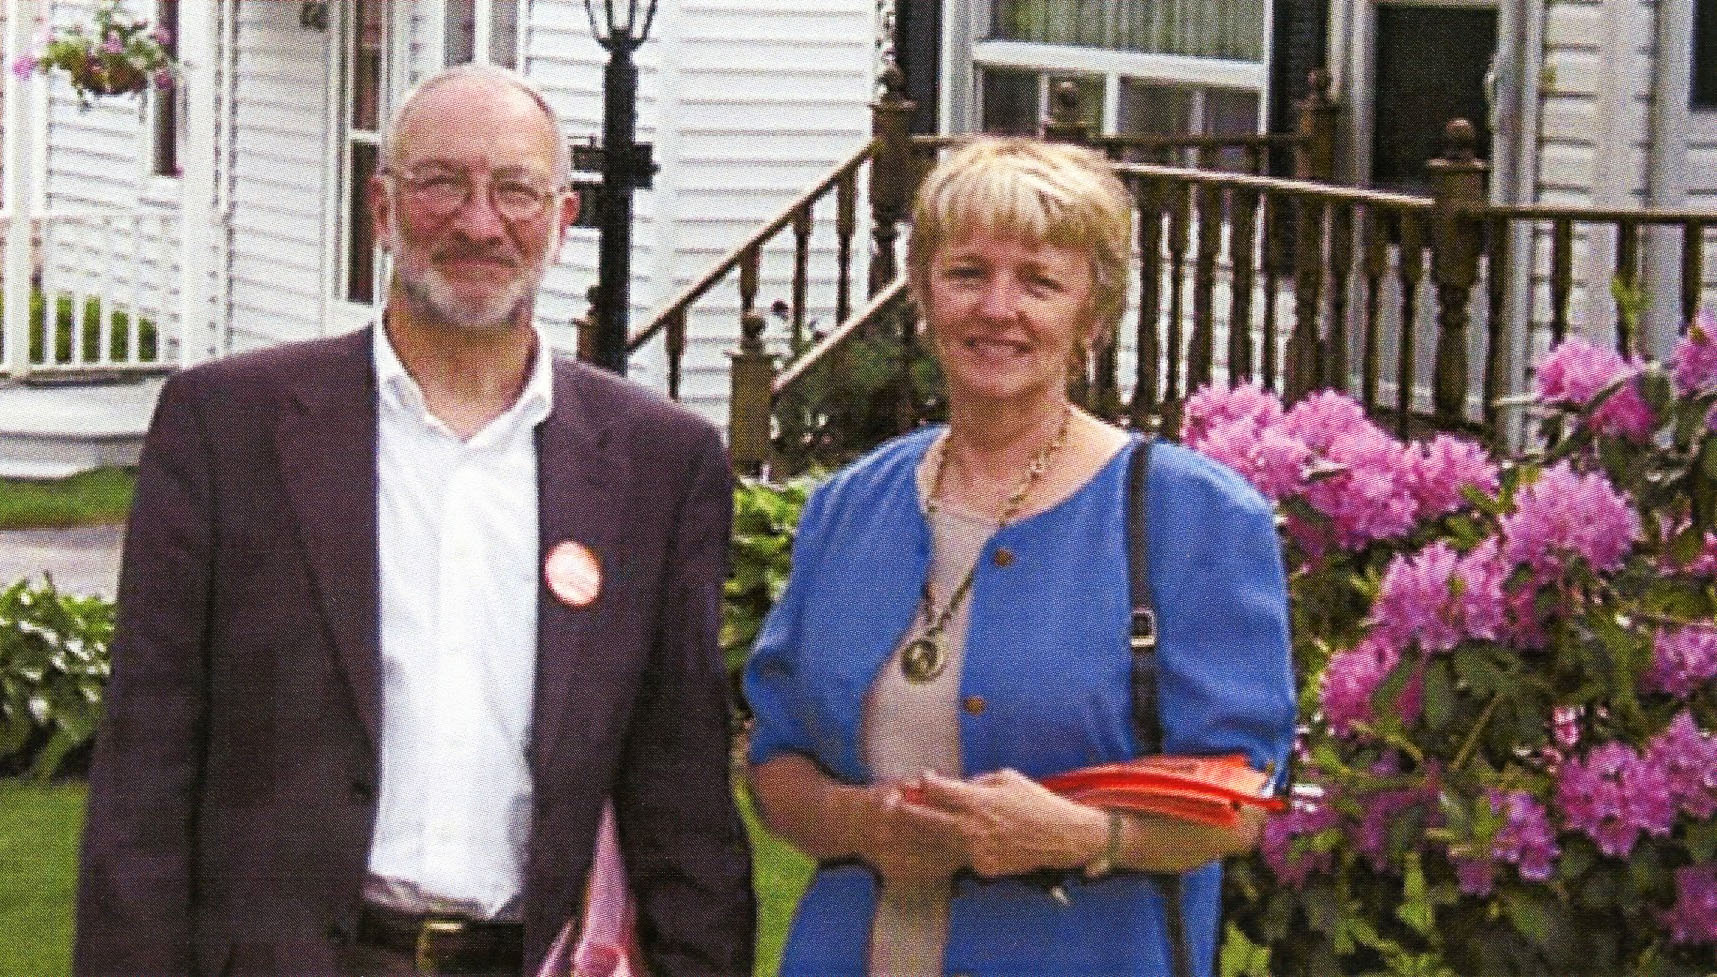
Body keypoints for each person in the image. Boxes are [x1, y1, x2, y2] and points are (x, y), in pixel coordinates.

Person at [74, 64, 754, 977]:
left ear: (561, 221)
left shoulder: (657, 466)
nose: (479, 222)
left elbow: (682, 795)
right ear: (383, 208)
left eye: (515, 189)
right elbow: (145, 769)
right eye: (441, 182)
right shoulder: (229, 427)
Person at [744, 138, 1296, 977]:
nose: (997, 308)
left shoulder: (1193, 518)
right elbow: (775, 759)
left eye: (1038, 281)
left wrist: (1080, 834)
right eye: (967, 273)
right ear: (925, 294)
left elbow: (1242, 799)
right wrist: (862, 821)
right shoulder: (847, 508)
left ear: (1092, 316)